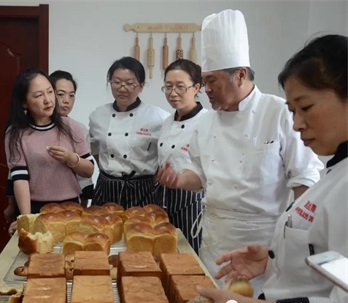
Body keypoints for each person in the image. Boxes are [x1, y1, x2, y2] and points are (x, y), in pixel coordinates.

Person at [192, 34, 348, 303]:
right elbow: (330, 267)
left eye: (306, 107)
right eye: (292, 111)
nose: (297, 124)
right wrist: (276, 260)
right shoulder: (336, 173)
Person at [157, 9, 324, 288]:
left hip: (263, 246)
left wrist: (293, 242)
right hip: (215, 239)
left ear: (240, 75)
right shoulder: (206, 122)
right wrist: (179, 179)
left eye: (211, 81)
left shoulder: (280, 113)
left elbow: (305, 180)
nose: (205, 89)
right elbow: (200, 175)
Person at [5, 68, 94, 235]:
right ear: (24, 102)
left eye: (50, 92)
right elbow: (20, 179)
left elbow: (89, 170)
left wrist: (70, 158)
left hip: (70, 207)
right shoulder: (16, 133)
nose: (48, 100)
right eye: (38, 96)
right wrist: (26, 217)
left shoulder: (71, 127)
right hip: (35, 208)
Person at [89, 56, 169, 209]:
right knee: (103, 230)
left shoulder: (158, 117)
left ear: (141, 86)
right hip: (106, 187)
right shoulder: (98, 116)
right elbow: (95, 150)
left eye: (130, 83)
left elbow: (165, 155)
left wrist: (153, 180)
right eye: (117, 82)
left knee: (142, 231)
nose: (122, 88)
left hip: (143, 189)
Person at [157, 59, 208, 254]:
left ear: (196, 87)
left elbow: (206, 169)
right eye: (168, 86)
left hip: (192, 201)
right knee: (166, 253)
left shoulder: (207, 121)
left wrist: (179, 179)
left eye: (180, 86)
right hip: (164, 197)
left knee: (189, 256)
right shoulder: (167, 121)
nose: (172, 92)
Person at [50, 70, 94, 207]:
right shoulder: (30, 129)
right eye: (60, 94)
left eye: (71, 95)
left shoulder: (79, 129)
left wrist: (85, 200)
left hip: (71, 201)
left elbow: (86, 172)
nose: (66, 101)